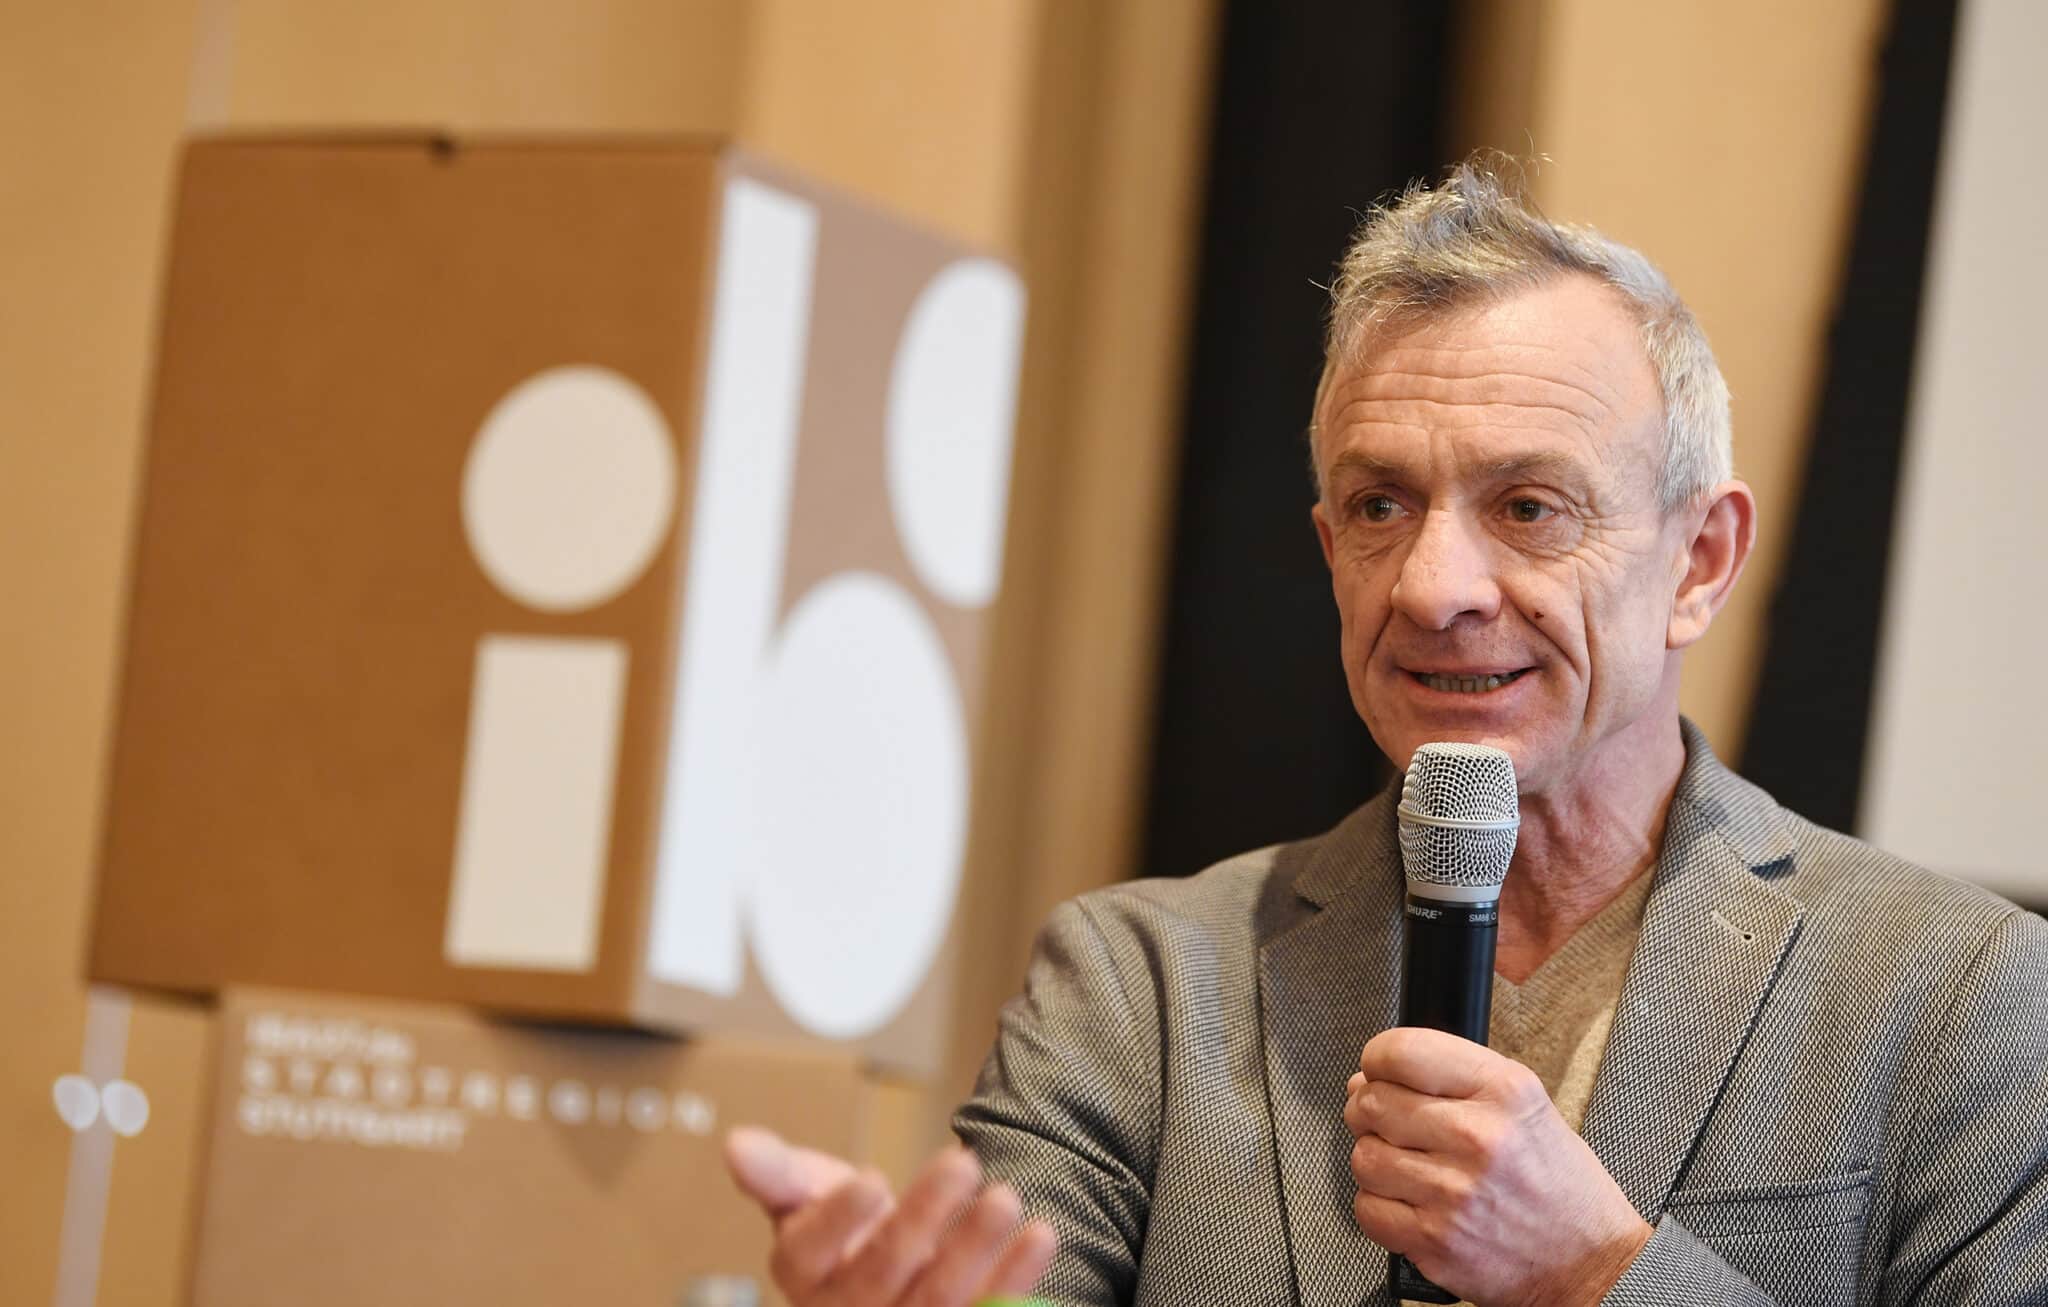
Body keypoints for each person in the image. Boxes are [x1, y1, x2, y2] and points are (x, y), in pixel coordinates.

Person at [724, 157, 2048, 1305]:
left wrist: (1599, 1275)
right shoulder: (1140, 988)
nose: (1432, 588)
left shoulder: (1958, 999)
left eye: (1529, 506)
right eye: (1379, 507)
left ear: (1701, 560)